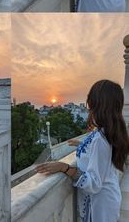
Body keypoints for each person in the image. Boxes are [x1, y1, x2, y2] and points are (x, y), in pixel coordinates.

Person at [37, 80, 129, 222]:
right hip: (106, 199)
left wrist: (64, 167)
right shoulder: (105, 132)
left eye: (91, 101)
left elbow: (93, 183)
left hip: (101, 204)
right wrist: (82, 145)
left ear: (99, 104)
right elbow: (100, 152)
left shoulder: (100, 138)